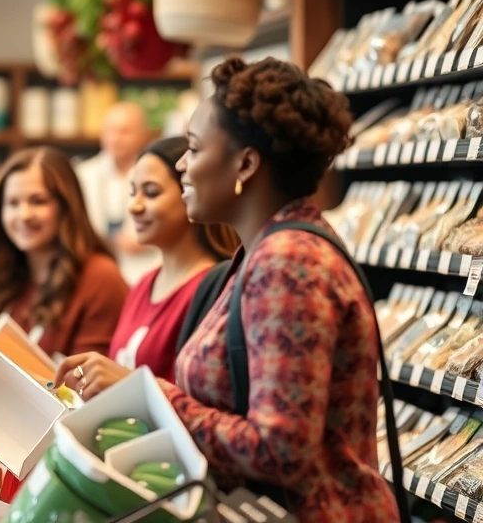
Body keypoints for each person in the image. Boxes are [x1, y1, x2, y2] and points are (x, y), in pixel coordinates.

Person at [165, 57, 398, 521]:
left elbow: (281, 449)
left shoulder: (288, 264)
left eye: (194, 149)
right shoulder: (263, 253)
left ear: (246, 163)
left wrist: (163, 400)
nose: (181, 164)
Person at [53, 137, 239, 397]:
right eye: (132, 192)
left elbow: (201, 400)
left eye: (151, 192)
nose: (134, 206)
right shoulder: (142, 285)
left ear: (189, 192)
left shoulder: (212, 290)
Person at [0, 147, 128, 358]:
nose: (24, 214)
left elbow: (89, 382)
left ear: (66, 206)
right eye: (13, 203)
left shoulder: (100, 278)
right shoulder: (0, 276)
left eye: (38, 201)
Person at [76, 102, 162, 284]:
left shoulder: (158, 175)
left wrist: (150, 237)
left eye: (124, 132)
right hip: (96, 272)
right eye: (110, 131)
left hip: (146, 270)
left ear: (142, 135)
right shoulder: (83, 174)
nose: (115, 139)